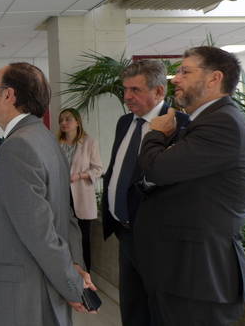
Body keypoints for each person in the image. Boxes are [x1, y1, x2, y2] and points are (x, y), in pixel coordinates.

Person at [134, 46, 245, 325]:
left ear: (215, 78)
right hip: (182, 273)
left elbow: (157, 168)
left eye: (184, 71)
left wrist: (155, 133)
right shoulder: (203, 122)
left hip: (199, 277)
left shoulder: (222, 123)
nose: (175, 79)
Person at [0, 62, 95, 326]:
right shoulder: (45, 138)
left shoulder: (19, 146)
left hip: (21, 295)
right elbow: (66, 216)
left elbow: (40, 232)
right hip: (39, 286)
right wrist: (75, 265)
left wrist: (72, 285)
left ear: (8, 94)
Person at [101, 59, 189, 326]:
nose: (127, 96)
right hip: (125, 232)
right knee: (132, 307)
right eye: (125, 89)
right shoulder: (125, 122)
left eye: (135, 90)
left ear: (160, 91)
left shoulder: (182, 126)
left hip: (158, 239)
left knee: (159, 311)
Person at [58, 108, 102, 272]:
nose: (63, 123)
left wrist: (80, 175)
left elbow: (98, 169)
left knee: (83, 239)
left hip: (81, 195)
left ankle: (86, 275)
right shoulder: (57, 144)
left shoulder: (89, 142)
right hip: (61, 196)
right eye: (61, 120)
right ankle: (67, 274)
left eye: (67, 119)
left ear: (77, 122)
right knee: (64, 238)